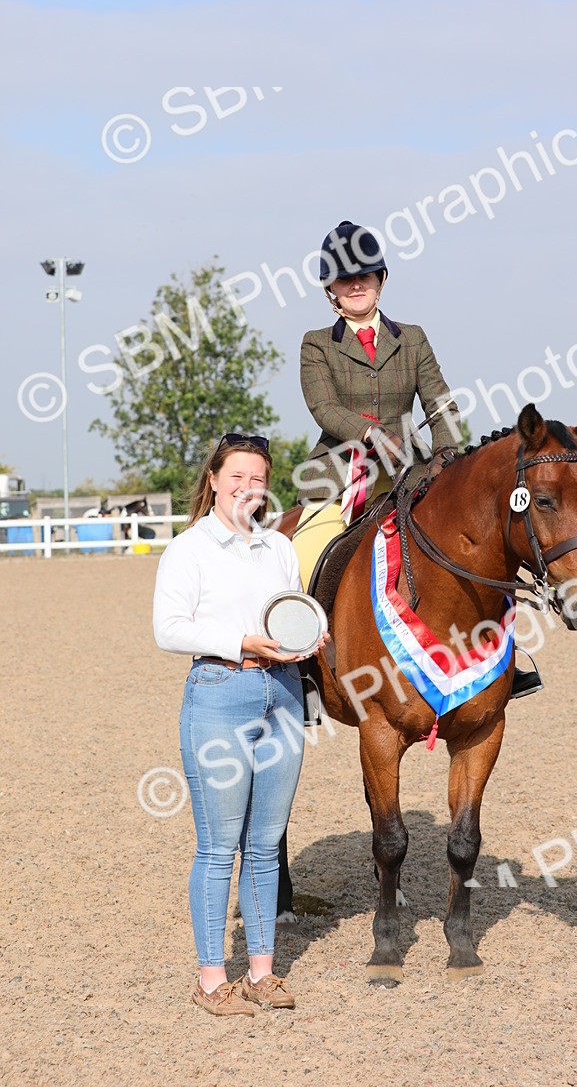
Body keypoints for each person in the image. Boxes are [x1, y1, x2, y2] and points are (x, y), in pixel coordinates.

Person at [292, 219, 542, 698]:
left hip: (409, 471)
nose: (357, 284)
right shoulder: (316, 344)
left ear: (382, 279)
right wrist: (368, 432)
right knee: (305, 555)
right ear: (332, 291)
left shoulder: (413, 338)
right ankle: (306, 670)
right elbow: (323, 407)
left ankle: (504, 660)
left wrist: (450, 455)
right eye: (346, 279)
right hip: (338, 476)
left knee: (475, 541)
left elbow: (440, 401)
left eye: (366, 274)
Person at [153, 433, 328, 1017]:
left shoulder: (278, 548)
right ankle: (210, 980)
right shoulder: (190, 549)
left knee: (264, 844)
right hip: (220, 692)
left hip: (282, 693)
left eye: (258, 479)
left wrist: (310, 639)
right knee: (218, 847)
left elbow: (293, 609)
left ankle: (261, 973)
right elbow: (168, 629)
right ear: (213, 479)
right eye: (238, 478)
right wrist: (240, 642)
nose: (249, 488)